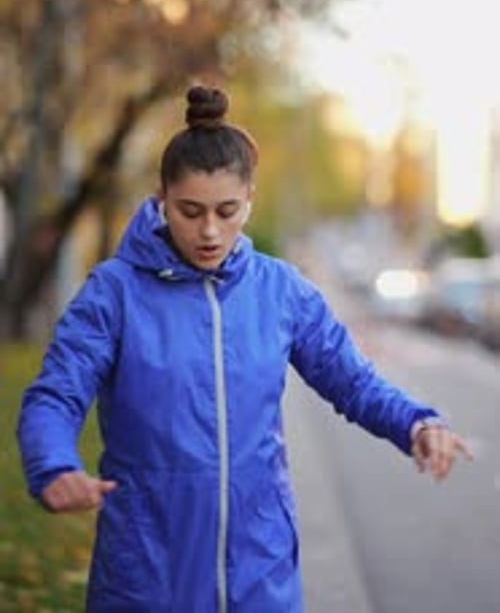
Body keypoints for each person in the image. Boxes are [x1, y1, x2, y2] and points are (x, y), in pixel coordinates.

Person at [17, 84, 473, 613]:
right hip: (146, 570)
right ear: (162, 201)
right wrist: (53, 465)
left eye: (226, 210)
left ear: (250, 200)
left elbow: (351, 380)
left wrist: (415, 423)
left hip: (260, 565)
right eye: (190, 211)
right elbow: (54, 396)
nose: (210, 230)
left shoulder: (282, 291)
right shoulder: (115, 292)